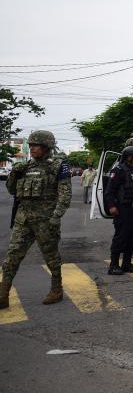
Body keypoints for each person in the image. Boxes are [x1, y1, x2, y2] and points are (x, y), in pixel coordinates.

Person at [0, 130, 71, 310]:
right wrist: (14, 174)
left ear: (46, 147)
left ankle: (56, 289)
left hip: (46, 221)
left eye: (36, 146)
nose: (32, 149)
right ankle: (3, 294)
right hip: (23, 220)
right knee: (11, 257)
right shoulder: (25, 166)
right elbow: (12, 190)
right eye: (30, 145)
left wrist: (56, 216)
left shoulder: (58, 166)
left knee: (51, 257)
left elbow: (65, 195)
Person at [104, 146, 133, 275]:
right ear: (129, 157)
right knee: (121, 237)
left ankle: (127, 264)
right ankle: (114, 265)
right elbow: (109, 191)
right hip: (123, 209)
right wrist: (112, 206)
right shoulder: (119, 170)